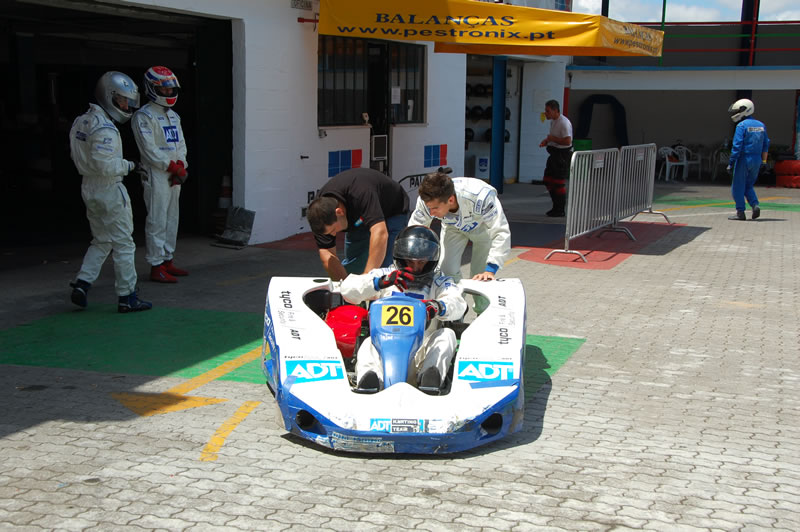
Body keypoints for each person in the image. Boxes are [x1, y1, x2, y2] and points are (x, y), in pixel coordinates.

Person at [339, 225, 467, 393]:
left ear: (431, 260)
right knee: (368, 343)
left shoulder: (439, 281)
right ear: (400, 257)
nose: (415, 267)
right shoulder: (385, 274)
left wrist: (437, 306)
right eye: (410, 261)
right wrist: (379, 283)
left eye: (421, 262)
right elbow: (347, 290)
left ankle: (429, 381)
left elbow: (458, 303)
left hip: (422, 352)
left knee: (447, 335)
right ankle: (370, 383)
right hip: (385, 349)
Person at [68, 71, 152, 313]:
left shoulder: (81, 121)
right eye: (122, 100)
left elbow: (78, 156)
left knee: (102, 240)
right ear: (109, 96)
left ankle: (82, 283)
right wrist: (131, 165)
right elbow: (104, 165)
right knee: (124, 244)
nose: (126, 106)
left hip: (88, 187)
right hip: (109, 189)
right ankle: (127, 296)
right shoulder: (105, 128)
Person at [410, 171, 510, 314]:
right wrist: (412, 262)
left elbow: (501, 232)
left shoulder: (482, 197)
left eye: (435, 208)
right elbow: (415, 232)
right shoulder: (426, 201)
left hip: (483, 229)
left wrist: (491, 269)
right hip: (453, 227)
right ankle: (456, 310)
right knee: (447, 271)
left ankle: (483, 312)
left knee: (481, 274)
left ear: (450, 200)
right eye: (429, 208)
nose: (431, 213)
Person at [132, 66, 189, 283]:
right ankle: (156, 266)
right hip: (155, 173)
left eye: (170, 89)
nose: (168, 93)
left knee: (172, 217)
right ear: (152, 88)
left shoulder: (174, 116)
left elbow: (181, 144)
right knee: (157, 218)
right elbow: (148, 149)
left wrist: (181, 164)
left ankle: (167, 260)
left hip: (175, 173)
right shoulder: (143, 116)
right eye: (163, 89)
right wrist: (172, 167)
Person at [307, 167, 410, 281]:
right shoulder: (319, 213)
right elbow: (327, 254)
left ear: (339, 212)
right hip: (358, 218)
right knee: (354, 266)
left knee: (383, 267)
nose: (333, 235)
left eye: (333, 230)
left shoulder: (361, 193)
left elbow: (380, 233)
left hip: (392, 210)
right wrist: (345, 286)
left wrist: (366, 280)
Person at [726, 98, 769, 221]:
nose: (736, 113)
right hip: (757, 159)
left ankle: (740, 212)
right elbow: (766, 144)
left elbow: (737, 146)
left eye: (738, 110)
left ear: (745, 110)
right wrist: (764, 161)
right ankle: (755, 205)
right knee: (748, 185)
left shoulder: (741, 125)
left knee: (737, 187)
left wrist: (731, 163)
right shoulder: (761, 125)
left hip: (744, 158)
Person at [538, 99, 573, 217]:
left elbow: (567, 141)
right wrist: (547, 141)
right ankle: (555, 206)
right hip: (554, 154)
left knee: (558, 182)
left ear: (555, 111)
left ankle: (560, 209)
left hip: (562, 155)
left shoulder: (564, 123)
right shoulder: (553, 122)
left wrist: (553, 139)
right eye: (545, 111)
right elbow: (553, 137)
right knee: (548, 180)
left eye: (548, 111)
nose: (545, 113)